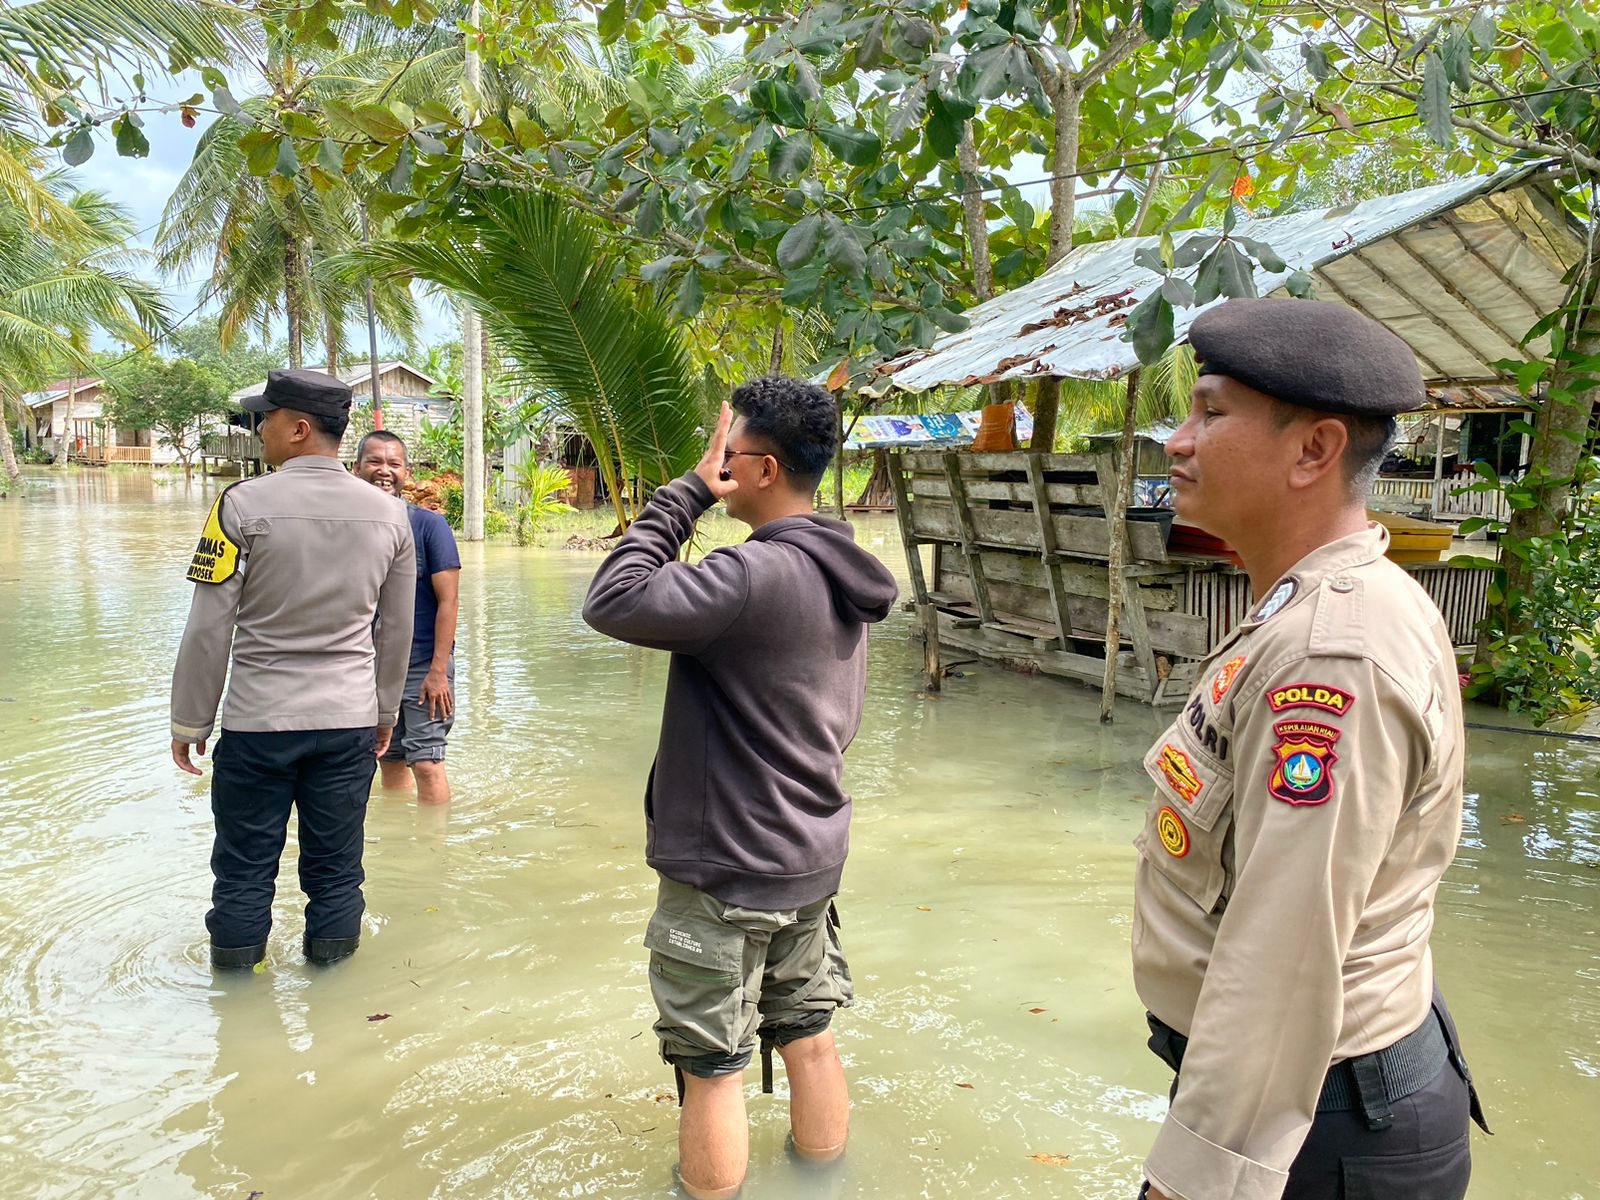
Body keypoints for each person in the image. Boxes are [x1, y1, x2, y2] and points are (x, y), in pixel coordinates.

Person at [1132, 298, 1489, 1200]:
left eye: (1210, 413)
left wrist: (1189, 1182)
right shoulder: (1310, 605)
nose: (1177, 442)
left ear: (1314, 451)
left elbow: (1282, 966)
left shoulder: (1334, 653)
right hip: (1316, 1101)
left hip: (1314, 1132)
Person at [582, 377, 899, 1200]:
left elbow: (611, 599)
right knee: (811, 1036)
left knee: (713, 1066)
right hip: (808, 854)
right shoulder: (843, 573)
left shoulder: (751, 576)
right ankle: (821, 1185)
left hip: (726, 867)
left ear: (758, 470)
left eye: (729, 454)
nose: (719, 465)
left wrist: (685, 492)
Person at [170, 368, 416, 969]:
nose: (259, 430)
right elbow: (395, 631)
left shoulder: (238, 505)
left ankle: (234, 999)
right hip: (348, 723)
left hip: (257, 724)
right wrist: (385, 713)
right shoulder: (392, 516)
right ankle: (332, 994)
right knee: (336, 872)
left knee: (243, 871)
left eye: (267, 419)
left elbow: (209, 627)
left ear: (299, 428)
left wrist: (190, 721)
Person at [353, 430, 462, 806]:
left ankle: (435, 850)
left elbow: (449, 602)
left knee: (427, 760)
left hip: (421, 665)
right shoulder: (347, 527)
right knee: (390, 758)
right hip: (366, 665)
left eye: (394, 464)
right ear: (356, 468)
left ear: (406, 472)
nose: (385, 471)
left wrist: (437, 671)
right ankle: (404, 849)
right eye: (375, 462)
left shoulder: (429, 526)